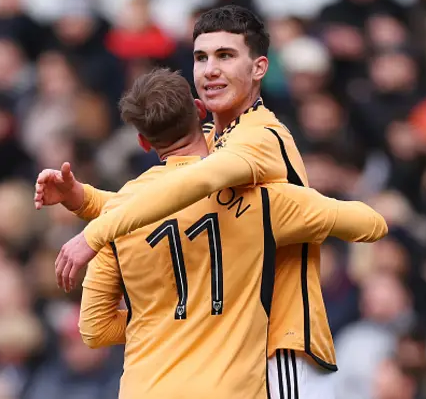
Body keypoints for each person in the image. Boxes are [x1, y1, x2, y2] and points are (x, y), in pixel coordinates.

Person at [36, 5, 357, 396]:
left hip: (278, 345)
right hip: (242, 353)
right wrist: (84, 199)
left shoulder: (258, 134)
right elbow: (175, 190)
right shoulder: (208, 149)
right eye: (201, 57)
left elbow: (193, 182)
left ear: (259, 68)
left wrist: (95, 230)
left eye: (225, 55)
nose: (209, 69)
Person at [76, 67, 387, 399]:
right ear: (199, 110)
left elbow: (95, 329)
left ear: (143, 141)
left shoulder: (117, 214)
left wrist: (160, 317)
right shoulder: (261, 199)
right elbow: (371, 224)